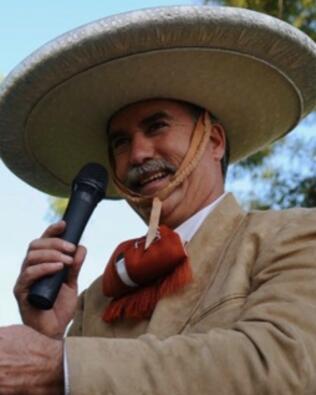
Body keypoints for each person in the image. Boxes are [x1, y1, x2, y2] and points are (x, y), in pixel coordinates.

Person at [0, 5, 316, 395]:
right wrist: (48, 337)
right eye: (120, 143)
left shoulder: (293, 235)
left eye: (157, 126)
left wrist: (59, 364)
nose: (137, 155)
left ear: (213, 141)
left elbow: (282, 364)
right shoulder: (96, 299)